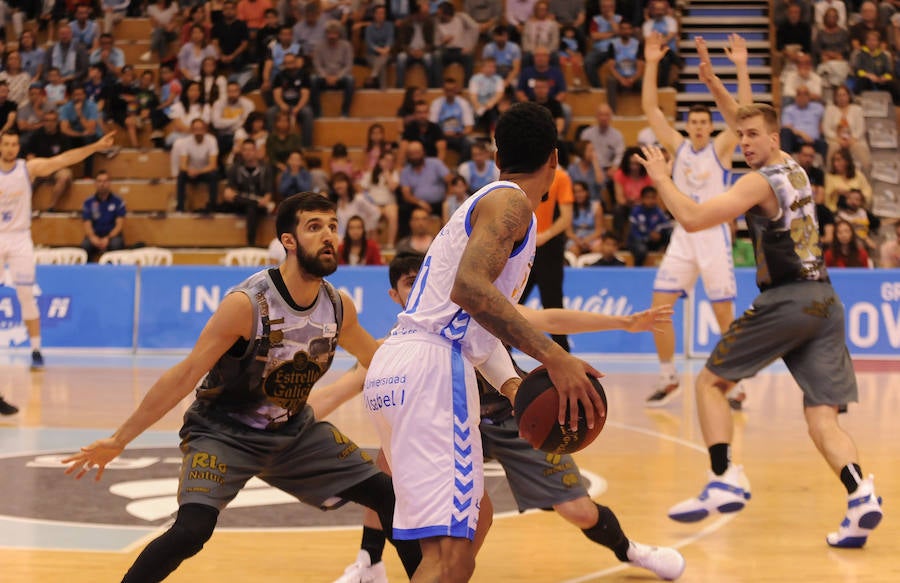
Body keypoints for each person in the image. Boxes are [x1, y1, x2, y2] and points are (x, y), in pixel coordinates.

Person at [62, 193, 422, 582]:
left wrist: (429, 352)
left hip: (294, 433)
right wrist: (119, 439)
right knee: (192, 530)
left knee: (389, 496)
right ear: (288, 240)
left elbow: (379, 360)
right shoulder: (247, 305)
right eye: (315, 227)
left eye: (333, 226)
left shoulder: (338, 307)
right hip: (223, 432)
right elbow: (184, 376)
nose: (329, 236)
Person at [637, 44, 883, 548]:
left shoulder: (756, 181)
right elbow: (746, 118)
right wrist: (717, 84)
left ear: (772, 139)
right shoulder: (793, 165)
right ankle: (861, 496)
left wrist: (662, 179)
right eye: (741, 136)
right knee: (822, 417)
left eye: (752, 137)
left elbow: (693, 218)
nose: (744, 141)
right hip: (825, 303)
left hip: (788, 300)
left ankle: (724, 475)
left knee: (709, 384)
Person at [312, 252, 684, 583]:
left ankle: (629, 549)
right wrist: (282, 424)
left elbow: (548, 317)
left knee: (577, 509)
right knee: (386, 466)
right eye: (409, 282)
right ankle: (369, 561)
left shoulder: (476, 308)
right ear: (395, 296)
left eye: (421, 277)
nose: (419, 286)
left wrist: (622, 323)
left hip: (513, 416)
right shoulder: (402, 342)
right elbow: (343, 387)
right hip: (448, 424)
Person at [362, 102, 606, 582]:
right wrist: (555, 356)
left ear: (497, 155)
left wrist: (514, 386)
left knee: (476, 520)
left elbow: (476, 318)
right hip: (431, 369)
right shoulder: (511, 203)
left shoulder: (493, 203)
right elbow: (469, 291)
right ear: (555, 160)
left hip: (400, 366)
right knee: (447, 556)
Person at [640, 33, 751, 407]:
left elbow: (744, 115)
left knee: (724, 319)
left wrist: (739, 67)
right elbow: (652, 110)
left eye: (706, 122)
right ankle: (668, 377)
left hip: (714, 238)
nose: (701, 126)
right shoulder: (680, 146)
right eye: (696, 122)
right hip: (683, 238)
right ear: (688, 125)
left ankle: (734, 383)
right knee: (659, 310)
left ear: (712, 125)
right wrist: (653, 62)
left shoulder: (722, 147)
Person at [2, 130, 116, 369]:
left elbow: (63, 160)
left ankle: (35, 349)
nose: (11, 148)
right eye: (6, 144)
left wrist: (94, 147)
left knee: (26, 295)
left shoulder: (28, 168)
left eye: (14, 144)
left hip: (20, 238)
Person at [174, 119, 219, 213]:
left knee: (214, 175)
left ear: (205, 129)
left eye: (200, 128)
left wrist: (199, 171)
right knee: (181, 175)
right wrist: (190, 170)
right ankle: (180, 208)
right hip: (191, 172)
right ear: (192, 130)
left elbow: (213, 164)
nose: (198, 131)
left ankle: (212, 206)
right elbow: (182, 165)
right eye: (195, 129)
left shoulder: (212, 140)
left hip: (205, 171)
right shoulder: (185, 142)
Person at [80, 170, 126, 261]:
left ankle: (115, 271)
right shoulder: (88, 202)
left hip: (112, 236)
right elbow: (87, 223)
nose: (102, 184)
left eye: (105, 181)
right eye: (99, 181)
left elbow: (119, 225)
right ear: (95, 183)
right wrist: (93, 237)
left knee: (116, 244)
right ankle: (88, 271)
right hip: (95, 236)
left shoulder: (118, 201)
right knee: (85, 245)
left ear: (109, 183)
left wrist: (108, 238)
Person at [627, 185, 672, 267]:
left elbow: (667, 225)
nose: (650, 200)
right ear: (642, 198)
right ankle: (637, 269)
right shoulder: (636, 211)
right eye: (647, 198)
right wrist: (649, 234)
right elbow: (636, 230)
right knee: (640, 249)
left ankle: (666, 255)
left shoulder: (658, 211)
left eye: (653, 198)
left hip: (653, 240)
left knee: (670, 233)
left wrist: (658, 233)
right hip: (640, 239)